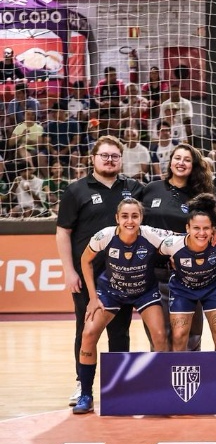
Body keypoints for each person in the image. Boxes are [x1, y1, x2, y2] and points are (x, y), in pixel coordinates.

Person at [56, 136, 144, 407]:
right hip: (88, 277)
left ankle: (117, 385)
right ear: (93, 158)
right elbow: (63, 233)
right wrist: (70, 271)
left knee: (120, 331)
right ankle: (83, 385)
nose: (109, 160)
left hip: (124, 276)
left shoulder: (134, 188)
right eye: (104, 155)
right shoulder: (76, 191)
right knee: (86, 329)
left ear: (121, 159)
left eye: (115, 156)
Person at [73, 198, 169, 414]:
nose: (130, 221)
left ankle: (161, 392)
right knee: (88, 333)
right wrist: (92, 297)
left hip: (145, 292)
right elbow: (85, 260)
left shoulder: (152, 235)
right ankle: (86, 394)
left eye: (135, 216)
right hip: (111, 291)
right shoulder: (104, 236)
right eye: (125, 216)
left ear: (141, 218)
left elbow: (182, 241)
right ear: (117, 218)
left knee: (160, 335)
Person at [142, 143, 215, 351]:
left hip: (189, 274)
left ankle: (191, 380)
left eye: (187, 159)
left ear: (193, 166)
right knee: (159, 337)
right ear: (170, 161)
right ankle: (161, 379)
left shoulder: (200, 196)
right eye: (177, 158)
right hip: (154, 273)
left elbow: (207, 232)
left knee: (190, 337)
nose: (181, 163)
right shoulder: (151, 189)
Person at [158, 194, 216, 351]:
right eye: (196, 228)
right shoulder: (172, 244)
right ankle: (179, 372)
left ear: (213, 229)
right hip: (183, 288)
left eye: (206, 228)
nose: (201, 233)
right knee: (179, 335)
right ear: (187, 228)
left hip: (213, 286)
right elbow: (154, 248)